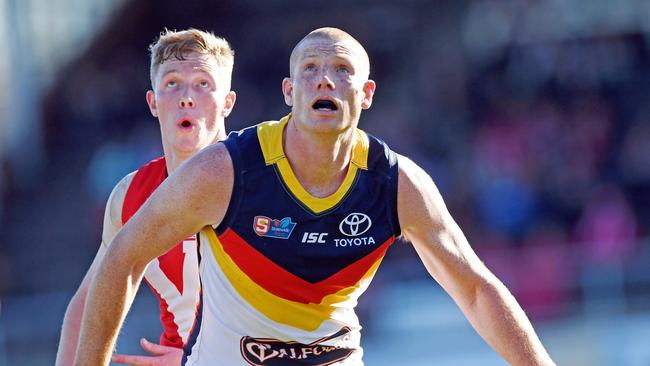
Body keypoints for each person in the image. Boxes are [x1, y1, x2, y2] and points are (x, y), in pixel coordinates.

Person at [74, 27, 555, 365]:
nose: (324, 79)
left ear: (366, 94)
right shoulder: (226, 171)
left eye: (341, 69)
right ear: (288, 91)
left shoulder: (396, 184)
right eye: (310, 68)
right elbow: (120, 260)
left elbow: (475, 289)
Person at [56, 28, 236, 366]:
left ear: (227, 102)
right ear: (153, 102)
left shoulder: (261, 173)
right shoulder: (129, 194)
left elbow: (301, 308)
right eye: (172, 83)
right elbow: (87, 306)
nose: (187, 97)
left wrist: (202, 358)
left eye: (203, 83)